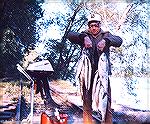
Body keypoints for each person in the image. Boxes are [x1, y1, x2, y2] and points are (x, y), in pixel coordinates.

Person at [66, 13, 123, 124]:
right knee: (86, 104)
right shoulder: (84, 35)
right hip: (87, 75)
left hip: (103, 75)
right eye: (91, 25)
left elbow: (119, 41)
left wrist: (106, 41)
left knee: (106, 103)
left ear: (99, 25)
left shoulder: (106, 35)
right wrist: (84, 37)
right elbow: (70, 35)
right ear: (89, 26)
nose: (93, 28)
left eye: (96, 25)